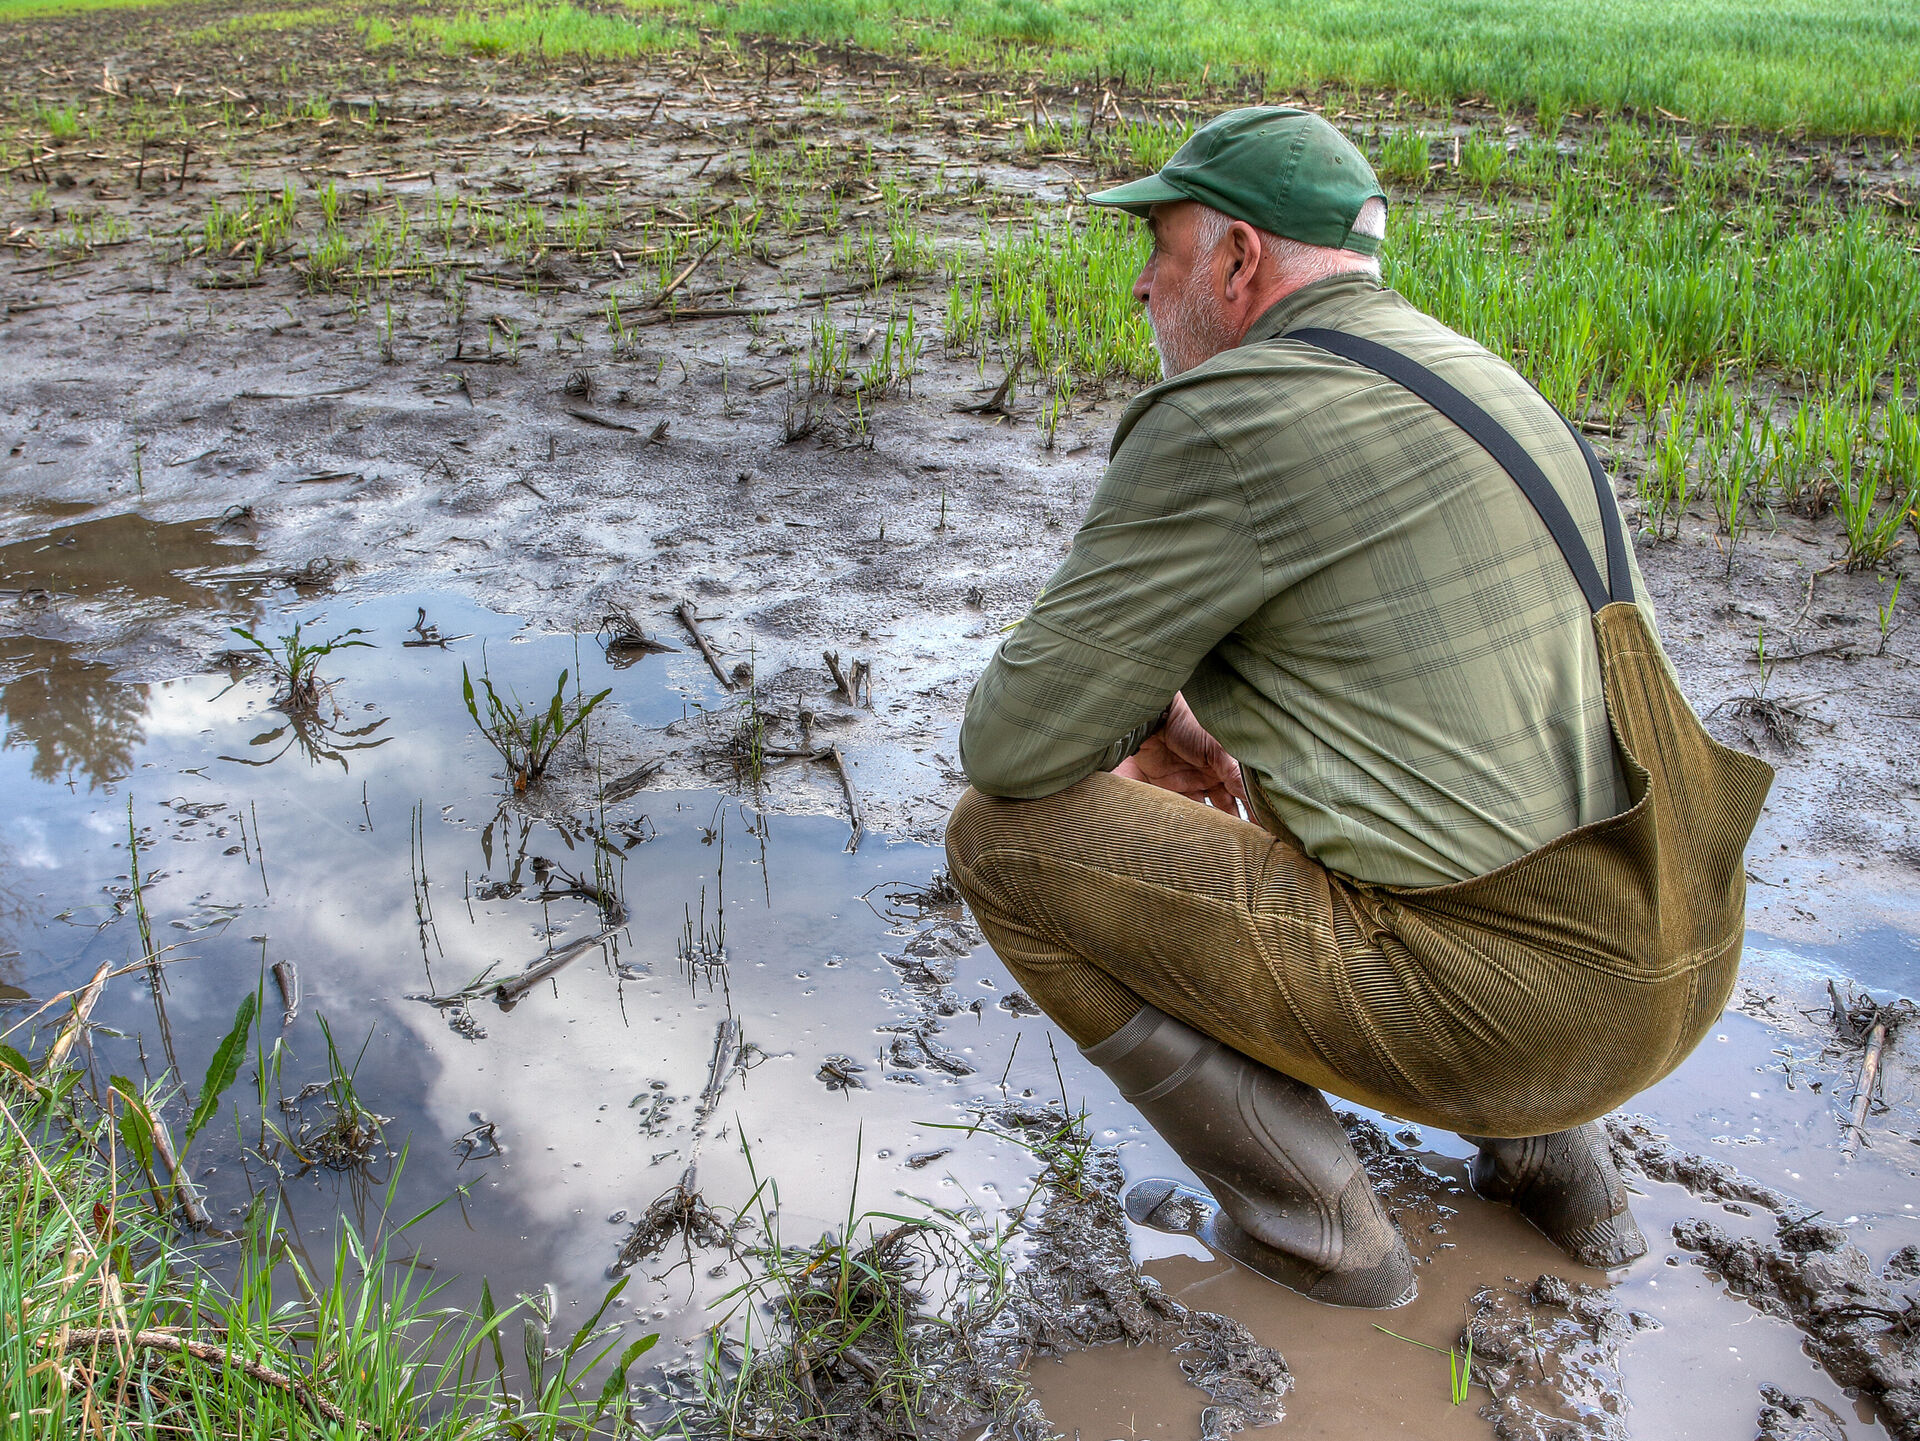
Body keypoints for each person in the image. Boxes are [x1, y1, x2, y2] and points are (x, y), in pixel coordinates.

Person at [945, 107, 1773, 1308]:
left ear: (1236, 260)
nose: (1139, 285)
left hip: (1530, 1013)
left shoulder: (1230, 414)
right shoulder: (1474, 373)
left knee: (997, 838)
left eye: (1160, 249)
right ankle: (1559, 1169)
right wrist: (1195, 712)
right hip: (1686, 958)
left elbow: (1013, 743)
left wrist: (1131, 714)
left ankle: (1319, 1238)